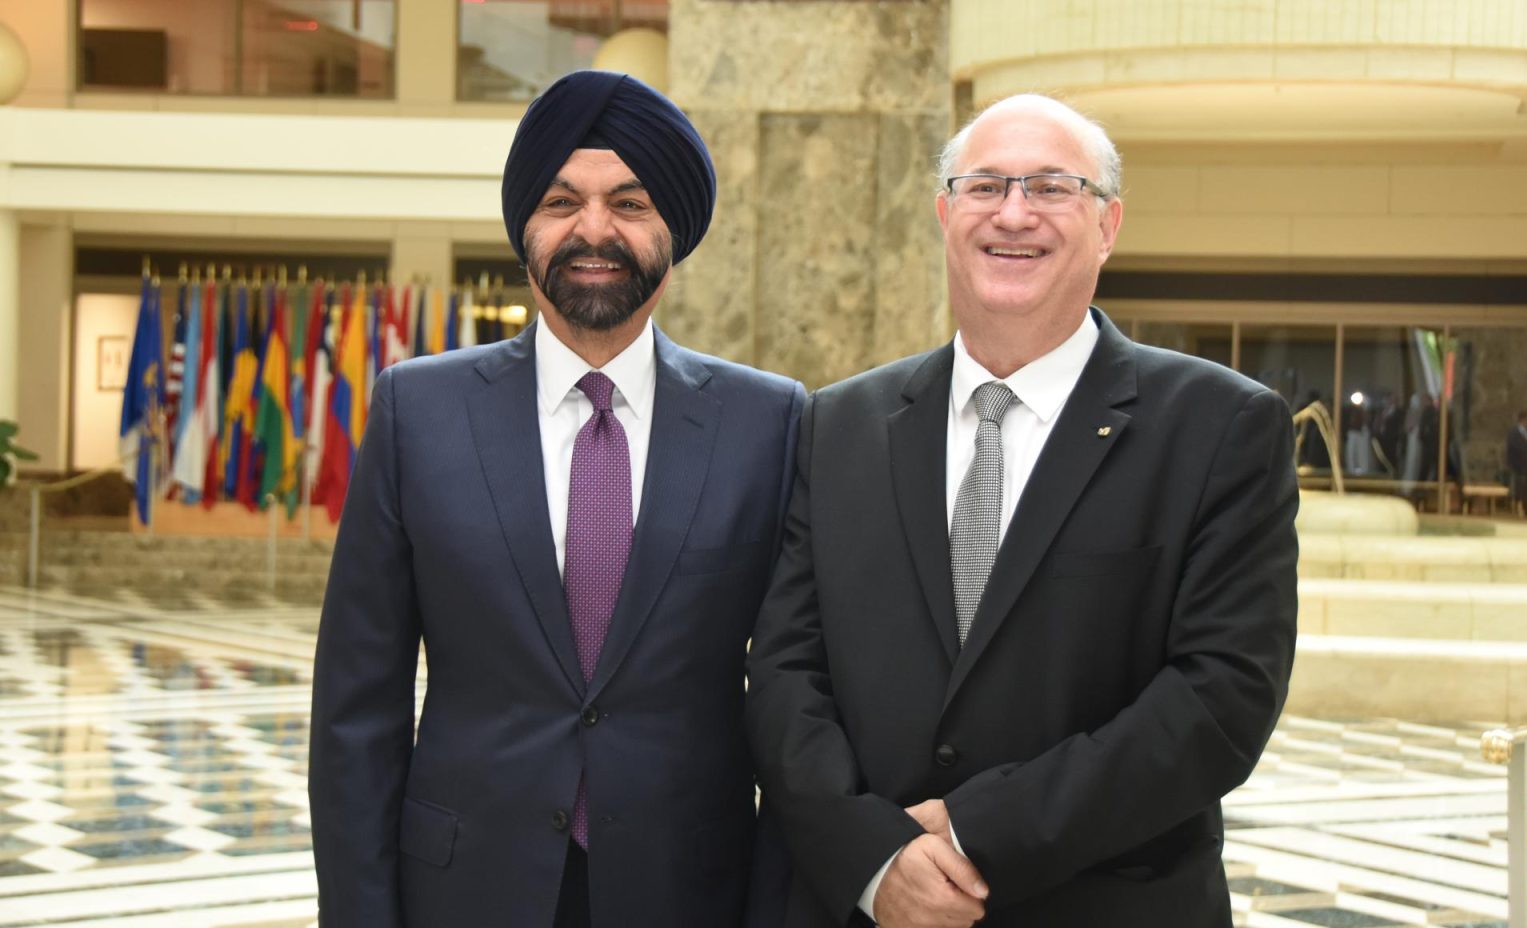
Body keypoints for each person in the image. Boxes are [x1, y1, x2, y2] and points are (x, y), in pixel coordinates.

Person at [745, 94, 1299, 928]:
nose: (1014, 213)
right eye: (985, 187)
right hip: (861, 907)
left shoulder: (1221, 427)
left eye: (1050, 188)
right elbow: (785, 671)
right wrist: (873, 857)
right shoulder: (838, 425)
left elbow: (1221, 699)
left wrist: (974, 830)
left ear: (1108, 225)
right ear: (944, 213)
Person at [310, 70, 805, 927]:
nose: (594, 229)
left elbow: (798, 695)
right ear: (524, 227)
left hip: (690, 891)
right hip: (462, 887)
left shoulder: (770, 421)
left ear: (675, 230)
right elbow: (358, 708)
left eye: (631, 201)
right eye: (561, 200)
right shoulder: (416, 412)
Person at [1508, 406, 1527, 513]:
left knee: (1525, 485)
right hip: (1518, 465)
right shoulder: (1515, 433)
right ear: (1523, 420)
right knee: (1518, 486)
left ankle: (1524, 505)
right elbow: (1516, 447)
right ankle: (1517, 505)